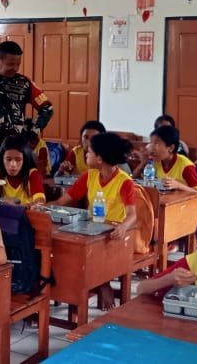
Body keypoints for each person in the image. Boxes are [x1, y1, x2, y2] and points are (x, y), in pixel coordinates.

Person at [45, 132, 138, 310]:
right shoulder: (89, 176)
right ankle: (85, 287)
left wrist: (123, 227)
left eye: (89, 152)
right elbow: (62, 202)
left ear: (100, 158)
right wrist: (42, 207)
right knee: (66, 248)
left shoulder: (124, 181)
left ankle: (102, 282)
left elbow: (132, 215)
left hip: (114, 235)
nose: (86, 154)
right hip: (91, 230)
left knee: (85, 253)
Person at [0, 135, 46, 206]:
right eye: (8, 159)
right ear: (2, 159)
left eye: (18, 160)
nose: (13, 164)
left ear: (25, 160)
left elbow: (40, 203)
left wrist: (16, 206)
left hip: (27, 213)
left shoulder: (32, 174)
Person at [146, 125, 197, 196]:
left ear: (171, 148)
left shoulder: (186, 166)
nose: (151, 148)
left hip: (183, 202)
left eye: (157, 144)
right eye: (151, 143)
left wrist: (178, 185)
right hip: (166, 200)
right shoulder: (156, 162)